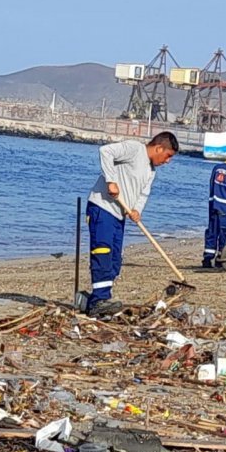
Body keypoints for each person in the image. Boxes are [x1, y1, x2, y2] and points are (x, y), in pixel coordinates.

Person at [85, 132, 179, 316]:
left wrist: (136, 210)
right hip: (102, 207)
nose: (168, 161)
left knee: (115, 261)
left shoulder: (151, 171)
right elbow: (106, 151)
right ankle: (99, 301)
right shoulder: (135, 149)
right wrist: (111, 180)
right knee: (102, 252)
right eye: (168, 156)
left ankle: (99, 299)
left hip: (119, 214)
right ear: (159, 148)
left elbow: (143, 193)